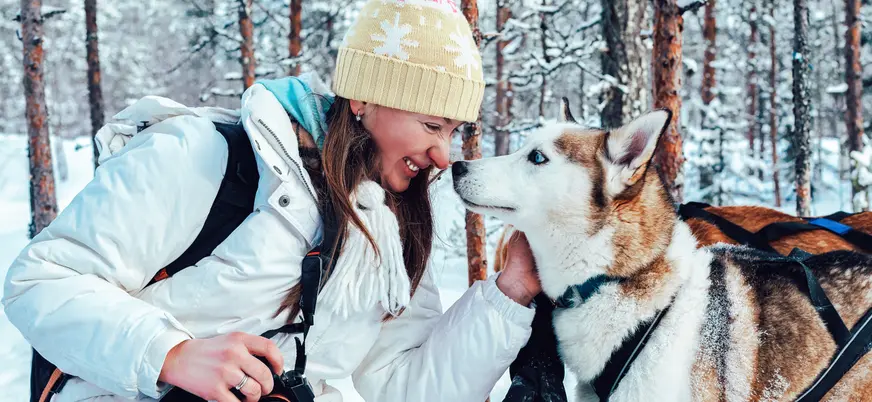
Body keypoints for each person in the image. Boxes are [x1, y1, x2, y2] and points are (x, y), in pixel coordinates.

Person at [2, 0, 542, 401]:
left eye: (451, 132)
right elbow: (40, 281)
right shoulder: (205, 157)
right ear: (364, 97)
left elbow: (406, 385)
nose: (442, 155)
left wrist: (511, 292)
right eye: (431, 125)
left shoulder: (394, 224)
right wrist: (169, 355)